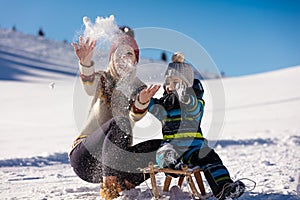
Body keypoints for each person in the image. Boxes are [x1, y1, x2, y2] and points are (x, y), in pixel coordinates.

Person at [132, 52, 245, 200]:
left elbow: (194, 109)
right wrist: (143, 99)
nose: (172, 86)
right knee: (164, 152)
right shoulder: (164, 106)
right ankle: (172, 163)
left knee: (211, 159)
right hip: (172, 146)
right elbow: (149, 106)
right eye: (170, 82)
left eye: (178, 82)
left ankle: (224, 187)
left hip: (195, 147)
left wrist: (186, 96)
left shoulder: (195, 103)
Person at [69, 33, 161, 199]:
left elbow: (136, 115)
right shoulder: (102, 78)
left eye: (129, 54)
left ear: (135, 61)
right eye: (119, 53)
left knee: (162, 148)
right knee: (121, 122)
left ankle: (125, 182)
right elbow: (89, 86)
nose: (123, 58)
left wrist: (141, 101)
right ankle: (110, 188)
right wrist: (85, 63)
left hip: (115, 159)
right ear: (112, 58)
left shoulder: (137, 86)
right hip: (86, 157)